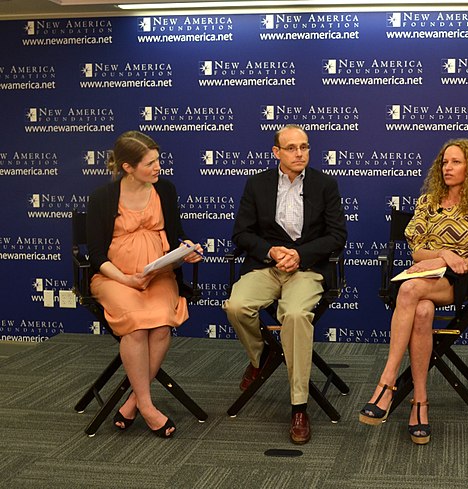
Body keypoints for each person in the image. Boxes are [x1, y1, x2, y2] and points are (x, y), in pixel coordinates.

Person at [359, 138, 468, 445]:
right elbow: (416, 253)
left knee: (409, 290)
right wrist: (443, 255)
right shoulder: (428, 201)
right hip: (429, 275)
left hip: (460, 283)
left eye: (456, 162)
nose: (447, 168)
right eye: (444, 162)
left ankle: (387, 382)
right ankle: (420, 402)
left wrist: (447, 257)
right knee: (422, 310)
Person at [223, 124, 347, 445]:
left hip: (307, 269)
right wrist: (271, 250)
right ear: (276, 152)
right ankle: (260, 357)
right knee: (236, 306)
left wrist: (300, 254)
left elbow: (337, 236)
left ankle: (299, 406)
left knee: (294, 316)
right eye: (291, 148)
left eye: (304, 147)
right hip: (267, 266)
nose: (299, 153)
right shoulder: (257, 184)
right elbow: (241, 234)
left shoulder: (324, 184)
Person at [87, 131, 203, 438]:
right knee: (137, 326)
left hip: (159, 275)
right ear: (128, 167)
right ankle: (149, 407)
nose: (158, 167)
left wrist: (186, 250)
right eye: (150, 163)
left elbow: (177, 233)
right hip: (115, 279)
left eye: (158, 160)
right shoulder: (102, 198)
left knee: (162, 326)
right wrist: (126, 278)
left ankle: (133, 401)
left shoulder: (165, 189)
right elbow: (96, 254)